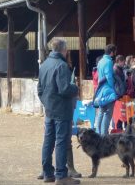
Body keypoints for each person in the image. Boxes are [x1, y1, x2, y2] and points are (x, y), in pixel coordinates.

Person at [37, 38, 80, 185]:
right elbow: (64, 89)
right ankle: (61, 175)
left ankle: (48, 173)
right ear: (64, 50)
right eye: (67, 48)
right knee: (61, 141)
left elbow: (40, 90)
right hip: (62, 110)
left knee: (48, 141)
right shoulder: (61, 66)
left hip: (50, 110)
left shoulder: (44, 65)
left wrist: (47, 103)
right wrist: (75, 88)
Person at [94, 44, 118, 135]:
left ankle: (98, 133)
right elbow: (109, 77)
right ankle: (104, 135)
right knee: (107, 113)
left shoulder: (100, 61)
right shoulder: (109, 62)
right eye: (115, 51)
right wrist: (113, 89)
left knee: (101, 112)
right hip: (108, 90)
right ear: (112, 52)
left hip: (101, 90)